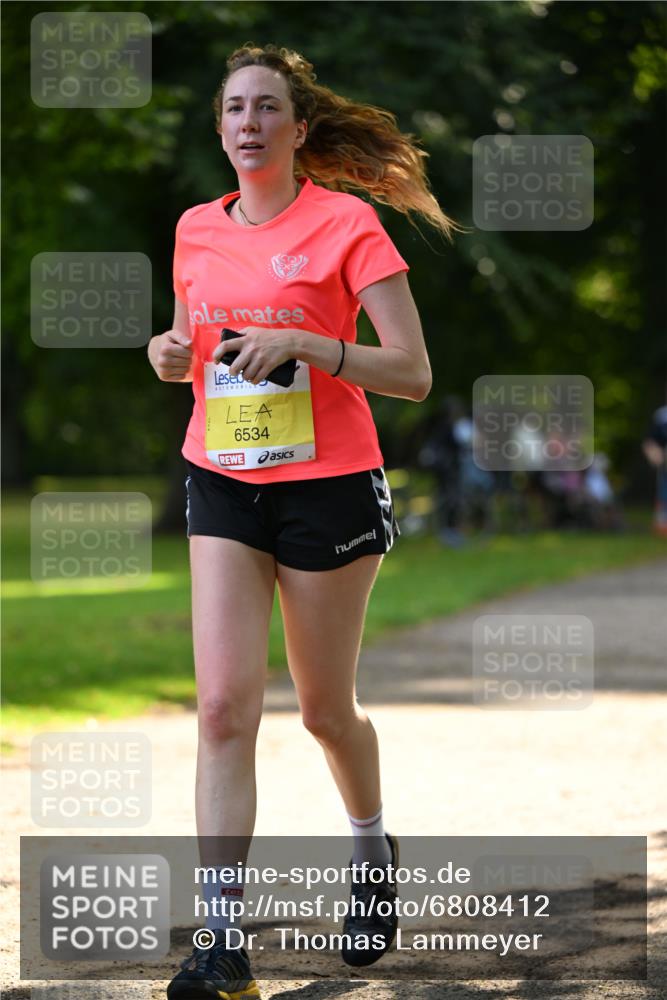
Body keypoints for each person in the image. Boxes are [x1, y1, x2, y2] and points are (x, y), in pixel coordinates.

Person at [147, 42, 462, 999]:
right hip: (222, 477)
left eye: (265, 108)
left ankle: (370, 851)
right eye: (233, 109)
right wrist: (168, 355)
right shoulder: (195, 228)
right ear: (220, 127)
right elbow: (191, 347)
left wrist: (313, 346)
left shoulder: (347, 223)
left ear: (298, 128)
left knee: (325, 711)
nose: (247, 123)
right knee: (220, 709)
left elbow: (411, 373)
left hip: (328, 484)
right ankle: (221, 941)